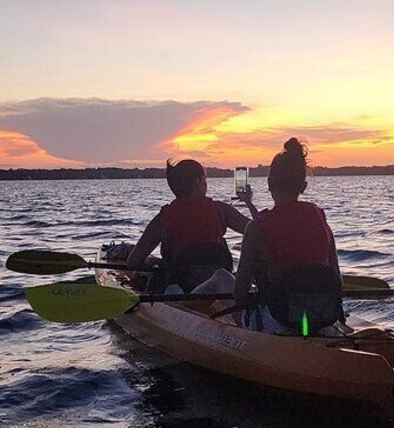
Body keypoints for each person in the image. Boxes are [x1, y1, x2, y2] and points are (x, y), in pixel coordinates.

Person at [232, 138, 344, 335]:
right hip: (322, 320)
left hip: (278, 321)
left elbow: (240, 293)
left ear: (269, 183)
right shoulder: (321, 218)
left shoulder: (256, 228)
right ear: (304, 186)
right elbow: (337, 278)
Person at [125, 159, 259, 294]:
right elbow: (261, 231)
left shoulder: (162, 219)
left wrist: (152, 262)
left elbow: (133, 262)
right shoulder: (221, 210)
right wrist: (248, 202)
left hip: (183, 289)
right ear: (197, 183)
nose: (206, 184)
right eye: (204, 179)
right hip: (217, 288)